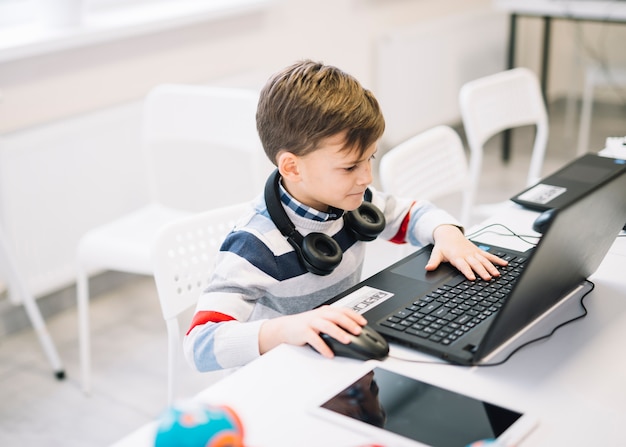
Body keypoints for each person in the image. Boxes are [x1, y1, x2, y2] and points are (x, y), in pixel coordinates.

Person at [183, 59, 507, 372]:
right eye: (350, 166)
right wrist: (285, 329)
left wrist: (446, 233)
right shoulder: (254, 244)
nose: (366, 177)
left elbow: (411, 213)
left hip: (332, 361)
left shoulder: (349, 200)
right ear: (292, 167)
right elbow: (200, 346)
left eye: (370, 159)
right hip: (277, 375)